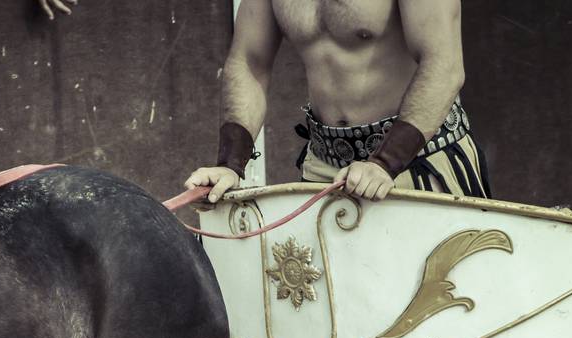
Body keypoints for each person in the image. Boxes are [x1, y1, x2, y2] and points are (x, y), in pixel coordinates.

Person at [185, 0, 486, 204]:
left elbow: (444, 66)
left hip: (419, 163)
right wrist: (230, 165)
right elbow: (249, 62)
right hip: (323, 166)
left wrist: (384, 163)